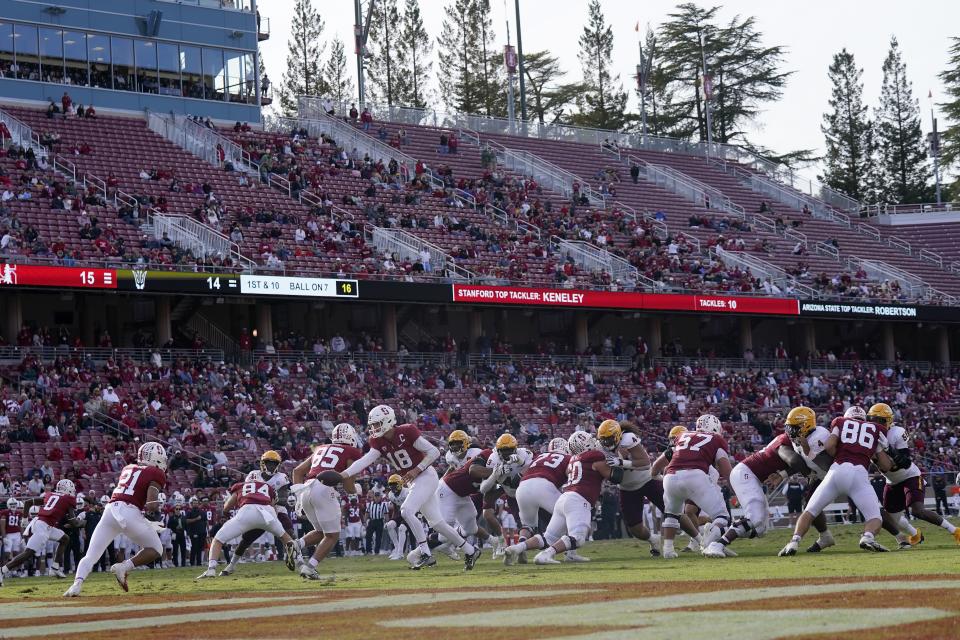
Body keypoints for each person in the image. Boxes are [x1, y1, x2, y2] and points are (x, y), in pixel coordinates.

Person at [340, 405, 481, 570]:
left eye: (377, 424)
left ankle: (426, 553)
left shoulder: (406, 431)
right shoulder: (377, 441)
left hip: (426, 475)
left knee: (406, 510)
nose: (373, 428)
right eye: (372, 425)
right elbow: (365, 461)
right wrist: (344, 474)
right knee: (437, 523)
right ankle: (470, 550)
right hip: (415, 481)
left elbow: (434, 452)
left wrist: (416, 469)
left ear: (388, 421)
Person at [779, 406, 894, 556]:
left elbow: (829, 447)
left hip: (836, 470)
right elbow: (886, 465)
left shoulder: (839, 422)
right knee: (875, 517)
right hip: (859, 473)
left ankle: (794, 541)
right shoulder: (876, 429)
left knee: (809, 511)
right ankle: (867, 537)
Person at [63, 443, 168, 596]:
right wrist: (154, 516)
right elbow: (151, 504)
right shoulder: (156, 473)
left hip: (111, 510)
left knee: (91, 555)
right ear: (155, 458)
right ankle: (124, 567)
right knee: (156, 549)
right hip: (129, 511)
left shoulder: (128, 468)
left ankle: (76, 585)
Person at [503, 431, 622, 565]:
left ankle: (517, 547)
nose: (594, 442)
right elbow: (616, 477)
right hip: (575, 497)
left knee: (547, 536)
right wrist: (622, 461)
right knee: (578, 537)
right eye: (590, 441)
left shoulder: (556, 458)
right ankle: (550, 554)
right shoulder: (587, 457)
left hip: (544, 492)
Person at [703, 428, 801, 558]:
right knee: (755, 517)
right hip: (745, 473)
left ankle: (719, 532)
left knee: (761, 530)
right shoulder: (785, 442)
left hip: (750, 476)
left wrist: (783, 474)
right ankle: (717, 545)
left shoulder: (791, 441)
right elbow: (797, 462)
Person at [872, 402, 960, 546]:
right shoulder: (868, 436)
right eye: (873, 420)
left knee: (917, 510)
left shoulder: (897, 433)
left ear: (888, 420)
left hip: (909, 476)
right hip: (891, 481)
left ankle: (955, 530)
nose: (876, 424)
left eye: (879, 420)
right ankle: (915, 534)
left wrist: (888, 449)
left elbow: (905, 462)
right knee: (888, 519)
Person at [289, 423, 362, 579]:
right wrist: (356, 490)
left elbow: (297, 471)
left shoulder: (320, 448)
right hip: (324, 489)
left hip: (306, 488)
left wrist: (298, 497)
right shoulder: (352, 451)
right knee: (332, 535)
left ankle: (296, 544)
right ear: (351, 437)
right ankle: (310, 567)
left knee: (321, 532)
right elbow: (349, 487)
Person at [196, 476, 301, 579]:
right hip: (267, 514)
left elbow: (227, 506)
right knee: (287, 538)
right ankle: (302, 564)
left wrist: (226, 513)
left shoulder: (241, 486)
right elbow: (273, 505)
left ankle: (211, 569)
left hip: (247, 512)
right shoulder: (267, 487)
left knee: (218, 539)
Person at [658, 414, 733, 559]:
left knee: (672, 514)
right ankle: (709, 544)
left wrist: (658, 477)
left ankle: (668, 550)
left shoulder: (683, 436)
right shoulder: (716, 439)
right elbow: (724, 467)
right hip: (697, 476)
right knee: (722, 517)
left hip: (670, 477)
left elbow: (655, 468)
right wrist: (735, 486)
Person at [219, 450, 294, 576]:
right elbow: (246, 494)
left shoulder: (281, 478)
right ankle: (231, 565)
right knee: (246, 540)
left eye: (274, 464)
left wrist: (269, 500)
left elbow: (283, 500)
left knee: (290, 532)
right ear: (262, 463)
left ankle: (296, 558)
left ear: (278, 465)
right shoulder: (253, 475)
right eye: (268, 463)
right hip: (258, 510)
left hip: (275, 509)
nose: (271, 466)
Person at [0, 480, 77, 584]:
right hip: (43, 527)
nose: (73, 491)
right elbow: (75, 523)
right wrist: (83, 522)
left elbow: (27, 502)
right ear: (67, 489)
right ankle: (2, 571)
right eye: (72, 488)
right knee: (28, 553)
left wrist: (24, 520)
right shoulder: (68, 499)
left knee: (64, 538)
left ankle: (54, 567)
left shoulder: (50, 495)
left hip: (44, 524)